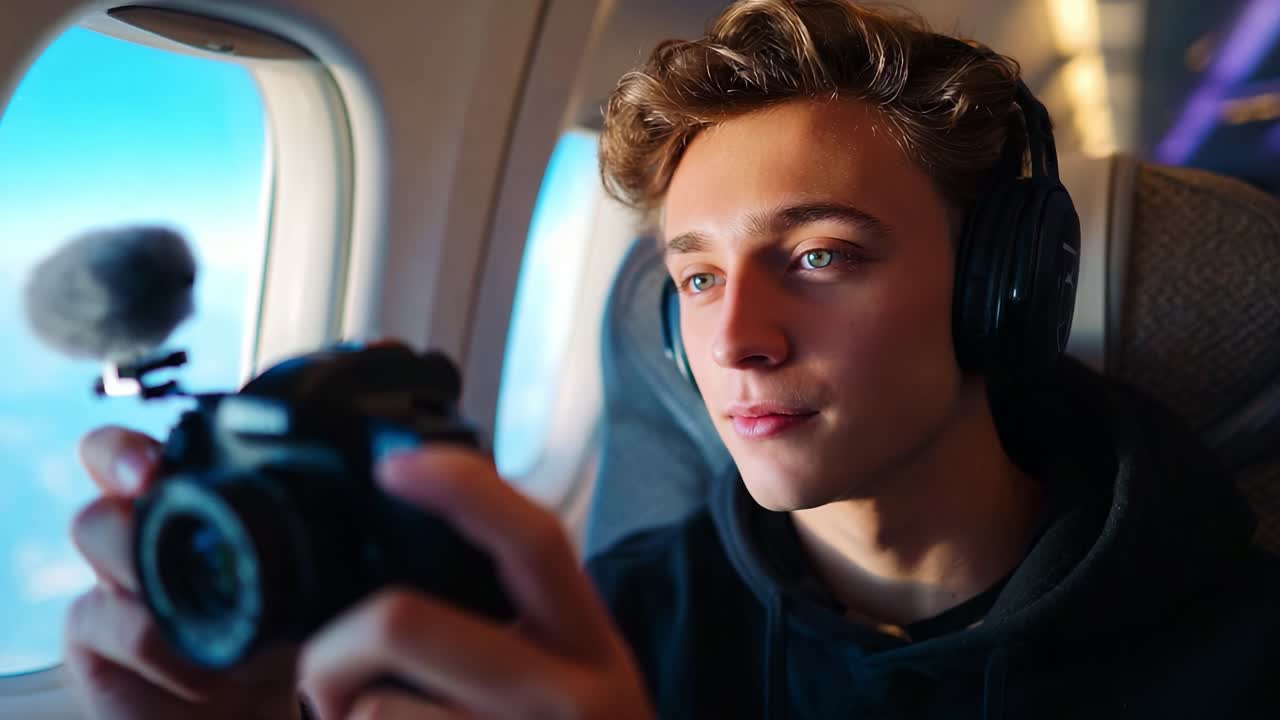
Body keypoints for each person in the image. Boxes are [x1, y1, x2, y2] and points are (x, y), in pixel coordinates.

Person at [62, 1, 1278, 719]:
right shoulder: (594, 629)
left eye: (817, 255)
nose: (732, 336)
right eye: (695, 277)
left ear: (995, 286)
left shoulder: (1234, 648)